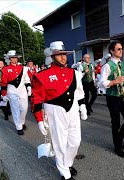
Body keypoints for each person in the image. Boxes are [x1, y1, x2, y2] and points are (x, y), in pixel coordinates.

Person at [32, 41, 87, 180]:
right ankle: (64, 172)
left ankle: (67, 163)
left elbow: (79, 92)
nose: (63, 57)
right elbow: (37, 99)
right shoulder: (42, 75)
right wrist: (39, 119)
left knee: (75, 141)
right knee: (60, 143)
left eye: (64, 54)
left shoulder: (74, 73)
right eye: (59, 55)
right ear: (52, 57)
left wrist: (82, 106)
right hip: (55, 112)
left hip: (73, 110)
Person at [98, 40, 124, 158]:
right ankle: (117, 146)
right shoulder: (107, 66)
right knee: (116, 123)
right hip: (113, 97)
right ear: (112, 51)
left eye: (121, 49)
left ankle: (119, 139)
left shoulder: (123, 64)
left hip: (123, 96)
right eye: (118, 49)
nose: (121, 51)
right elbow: (101, 83)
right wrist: (114, 81)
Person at [1, 50, 32, 135]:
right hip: (12, 90)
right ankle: (19, 127)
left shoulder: (24, 68)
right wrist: (4, 94)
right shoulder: (5, 69)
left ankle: (22, 122)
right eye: (12, 58)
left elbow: (27, 79)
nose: (14, 59)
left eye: (15, 57)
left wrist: (29, 87)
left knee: (24, 108)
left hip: (22, 89)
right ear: (9, 59)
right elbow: (3, 83)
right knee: (15, 109)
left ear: (17, 58)